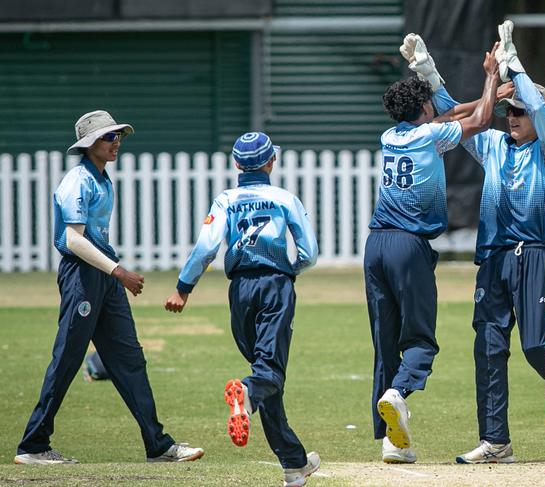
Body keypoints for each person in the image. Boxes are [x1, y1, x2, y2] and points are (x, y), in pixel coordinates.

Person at [401, 21, 545, 464]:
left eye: (519, 112)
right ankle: (496, 441)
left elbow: (535, 106)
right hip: (493, 259)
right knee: (489, 348)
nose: (512, 116)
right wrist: (427, 71)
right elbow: (459, 114)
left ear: (538, 119)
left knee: (537, 346)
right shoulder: (494, 144)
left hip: (531, 257)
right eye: (509, 111)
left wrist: (515, 67)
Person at [14, 110, 204, 465]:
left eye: (118, 137)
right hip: (83, 277)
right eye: (109, 137)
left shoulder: (102, 180)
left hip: (104, 278)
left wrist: (113, 275)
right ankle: (33, 445)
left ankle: (158, 445)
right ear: (90, 144)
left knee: (129, 359)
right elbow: (73, 240)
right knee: (68, 358)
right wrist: (119, 272)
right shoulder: (78, 181)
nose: (117, 143)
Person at [364, 41, 500, 464]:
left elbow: (451, 115)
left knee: (385, 344)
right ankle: (398, 394)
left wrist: (491, 93)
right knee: (421, 339)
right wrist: (493, 78)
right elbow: (476, 118)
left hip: (375, 246)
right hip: (409, 245)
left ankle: (393, 440)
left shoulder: (392, 135)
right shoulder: (429, 133)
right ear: (423, 109)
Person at [164, 132, 320, 487]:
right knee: (267, 374)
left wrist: (183, 289)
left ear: (236, 165)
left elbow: (205, 248)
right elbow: (309, 251)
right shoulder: (284, 199)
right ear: (271, 162)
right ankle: (246, 391)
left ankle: (294, 465)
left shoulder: (225, 200)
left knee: (266, 373)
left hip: (240, 291)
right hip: (275, 286)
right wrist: (287, 272)